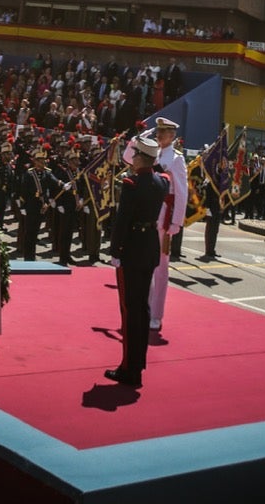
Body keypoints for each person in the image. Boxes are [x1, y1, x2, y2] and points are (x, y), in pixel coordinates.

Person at [106, 133, 168, 390]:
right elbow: (161, 172)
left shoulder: (131, 184)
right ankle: (138, 363)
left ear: (142, 159)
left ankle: (129, 369)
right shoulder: (161, 183)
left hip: (131, 250)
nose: (132, 161)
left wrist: (115, 251)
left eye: (135, 156)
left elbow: (122, 221)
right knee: (142, 309)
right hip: (150, 248)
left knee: (130, 312)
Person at [147, 115, 188, 331]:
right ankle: (146, 307)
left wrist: (176, 222)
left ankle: (156, 313)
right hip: (149, 214)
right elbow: (127, 157)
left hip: (164, 217)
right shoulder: (153, 152)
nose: (157, 135)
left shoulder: (176, 158)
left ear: (171, 136)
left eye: (161, 132)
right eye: (157, 131)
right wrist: (139, 137)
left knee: (161, 268)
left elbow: (182, 192)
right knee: (147, 264)